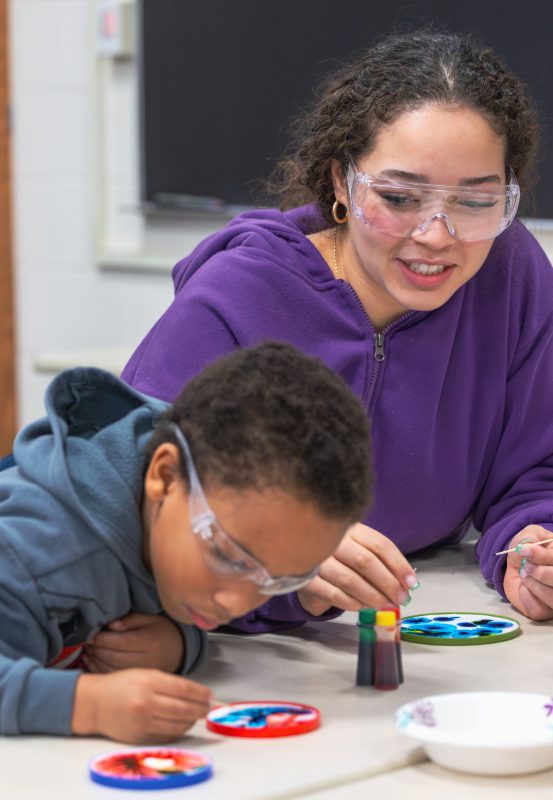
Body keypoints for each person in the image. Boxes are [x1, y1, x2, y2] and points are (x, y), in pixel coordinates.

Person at [122, 28, 553, 624]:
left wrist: (532, 544)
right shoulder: (238, 296)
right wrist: (285, 575)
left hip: (421, 624)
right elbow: (130, 512)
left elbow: (535, 470)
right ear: (340, 183)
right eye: (399, 198)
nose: (436, 235)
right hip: (241, 650)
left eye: (474, 203)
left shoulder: (510, 272)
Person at [0, 342, 372, 741]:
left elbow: (183, 609)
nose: (237, 603)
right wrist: (87, 705)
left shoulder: (183, 521)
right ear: (165, 476)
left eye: (278, 582)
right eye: (230, 558)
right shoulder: (34, 554)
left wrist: (176, 643)